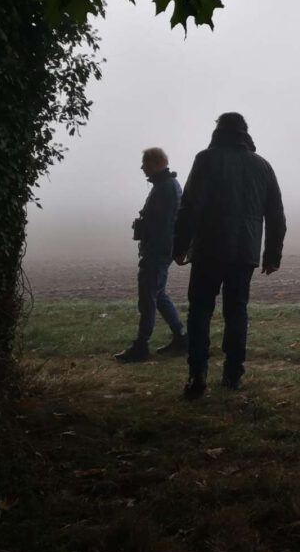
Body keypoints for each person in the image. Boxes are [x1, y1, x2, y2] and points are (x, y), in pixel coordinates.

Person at [173, 113, 286, 399]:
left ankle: (197, 375)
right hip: (244, 252)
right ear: (245, 133)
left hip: (209, 249)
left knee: (200, 311)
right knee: (237, 311)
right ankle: (233, 374)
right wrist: (272, 254)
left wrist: (179, 246)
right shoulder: (263, 166)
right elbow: (276, 215)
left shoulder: (206, 159)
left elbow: (190, 207)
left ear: (218, 132)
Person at [114, 147, 186, 362]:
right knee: (159, 295)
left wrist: (148, 240)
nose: (142, 167)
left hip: (157, 251)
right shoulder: (166, 185)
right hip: (160, 250)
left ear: (155, 163)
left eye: (145, 163)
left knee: (148, 297)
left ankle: (141, 346)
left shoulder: (165, 188)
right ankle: (181, 338)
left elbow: (162, 225)